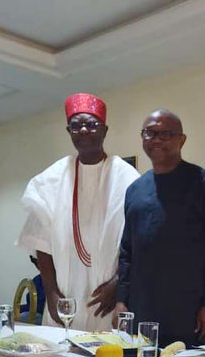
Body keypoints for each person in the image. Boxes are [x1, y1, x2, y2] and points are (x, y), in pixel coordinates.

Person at [17, 93, 139, 332]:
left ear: (104, 130)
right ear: (68, 131)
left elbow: (141, 245)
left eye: (92, 124)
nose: (83, 130)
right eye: (76, 125)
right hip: (64, 300)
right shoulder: (52, 178)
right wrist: (51, 293)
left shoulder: (127, 178)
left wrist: (118, 286)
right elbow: (41, 244)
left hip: (108, 300)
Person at [116, 110, 205, 348]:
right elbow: (127, 250)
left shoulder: (204, 184)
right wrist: (121, 300)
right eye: (150, 133)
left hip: (186, 310)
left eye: (166, 134)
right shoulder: (135, 190)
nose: (157, 139)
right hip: (141, 308)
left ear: (182, 139)